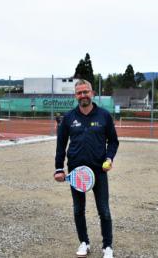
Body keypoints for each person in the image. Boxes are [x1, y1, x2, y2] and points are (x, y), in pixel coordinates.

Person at [54, 79, 119, 258]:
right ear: (76, 95)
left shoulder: (104, 116)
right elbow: (61, 145)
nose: (83, 95)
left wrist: (109, 158)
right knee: (78, 209)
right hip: (76, 172)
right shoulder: (68, 118)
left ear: (92, 93)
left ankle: (107, 246)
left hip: (99, 170)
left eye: (86, 92)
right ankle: (84, 242)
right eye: (79, 92)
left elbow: (113, 141)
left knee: (104, 210)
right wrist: (59, 168)